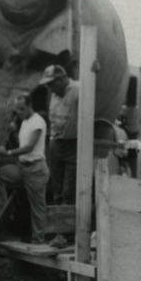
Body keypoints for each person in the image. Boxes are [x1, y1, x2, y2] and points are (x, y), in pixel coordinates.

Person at [0, 91, 50, 243]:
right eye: (17, 109)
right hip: (23, 168)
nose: (19, 112)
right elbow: (22, 143)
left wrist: (7, 152)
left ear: (30, 105)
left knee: (37, 207)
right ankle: (3, 210)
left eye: (22, 109)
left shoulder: (37, 122)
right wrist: (12, 132)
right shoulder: (24, 121)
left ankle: (38, 240)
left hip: (35, 168)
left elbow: (29, 147)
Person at [43, 64, 80, 206]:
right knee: (56, 189)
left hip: (73, 145)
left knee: (69, 191)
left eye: (52, 84)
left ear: (63, 78)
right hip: (55, 145)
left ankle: (68, 225)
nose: (49, 88)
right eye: (48, 85)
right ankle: (57, 223)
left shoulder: (78, 89)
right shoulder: (53, 94)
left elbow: (96, 91)